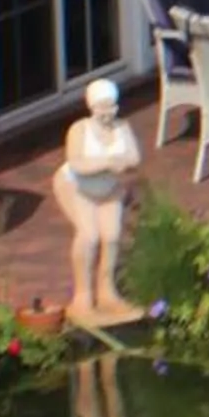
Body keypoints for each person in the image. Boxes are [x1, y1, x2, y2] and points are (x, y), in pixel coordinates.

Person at [54, 78, 145, 323]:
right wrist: (108, 162)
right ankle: (82, 297)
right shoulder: (80, 129)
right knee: (89, 235)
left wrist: (115, 163)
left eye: (111, 107)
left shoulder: (122, 127)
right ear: (92, 107)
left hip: (109, 187)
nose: (108, 113)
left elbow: (134, 157)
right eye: (102, 107)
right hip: (76, 186)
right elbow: (77, 163)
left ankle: (108, 293)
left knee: (112, 236)